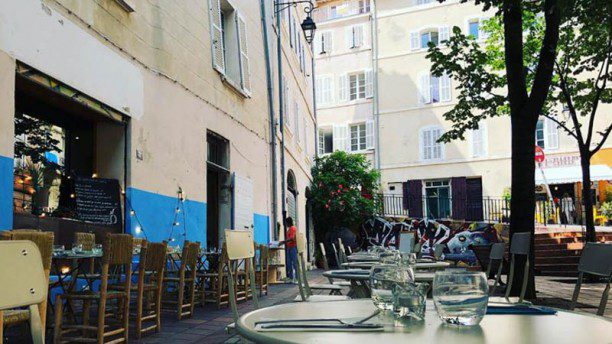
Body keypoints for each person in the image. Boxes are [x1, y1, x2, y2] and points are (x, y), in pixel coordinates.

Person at [279, 217, 298, 284]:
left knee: (295, 263)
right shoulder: (289, 229)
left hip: (293, 247)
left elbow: (292, 238)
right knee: (289, 263)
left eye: (285, 222)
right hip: (289, 247)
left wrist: (283, 242)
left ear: (288, 222)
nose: (285, 224)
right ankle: (291, 278)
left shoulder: (292, 228)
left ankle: (297, 278)